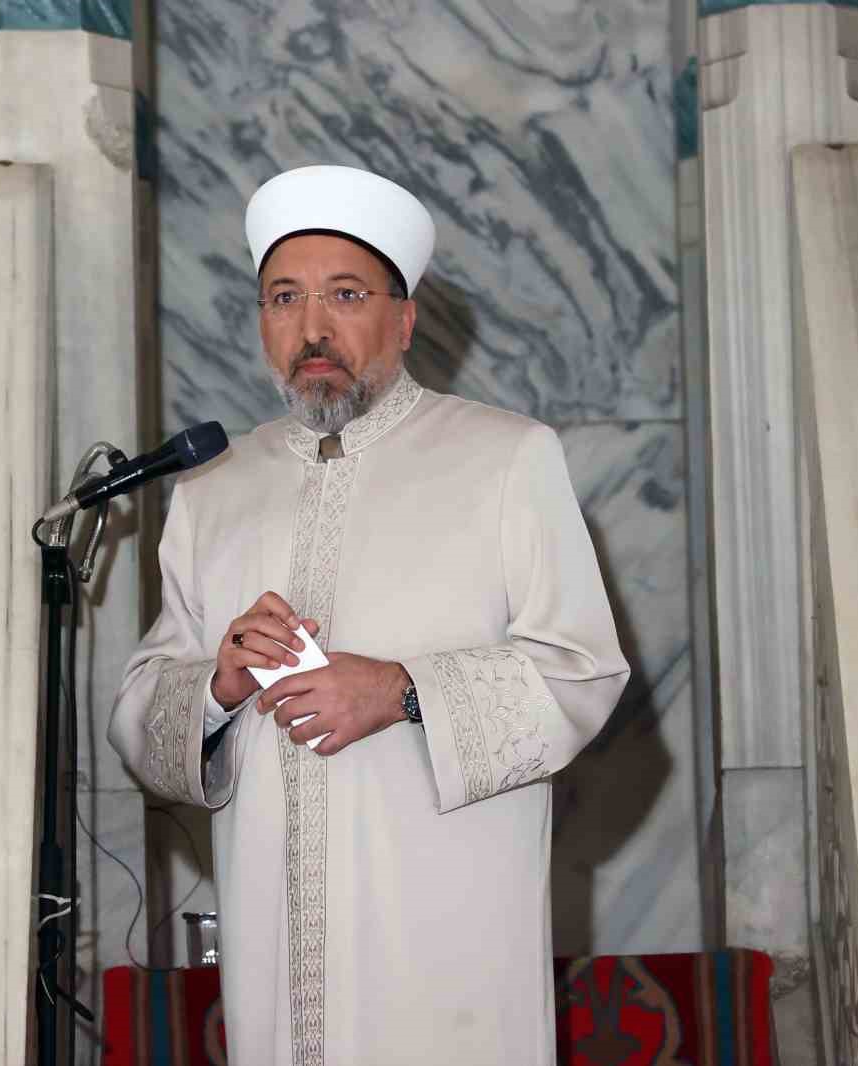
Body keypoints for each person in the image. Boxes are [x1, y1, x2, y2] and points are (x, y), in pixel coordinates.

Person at [108, 164, 630, 1066]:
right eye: (284, 299)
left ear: (404, 317)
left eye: (345, 295)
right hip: (273, 939)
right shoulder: (211, 491)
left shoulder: (506, 458)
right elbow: (144, 717)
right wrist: (220, 684)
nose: (313, 327)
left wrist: (401, 689)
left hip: (448, 935)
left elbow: (581, 671)